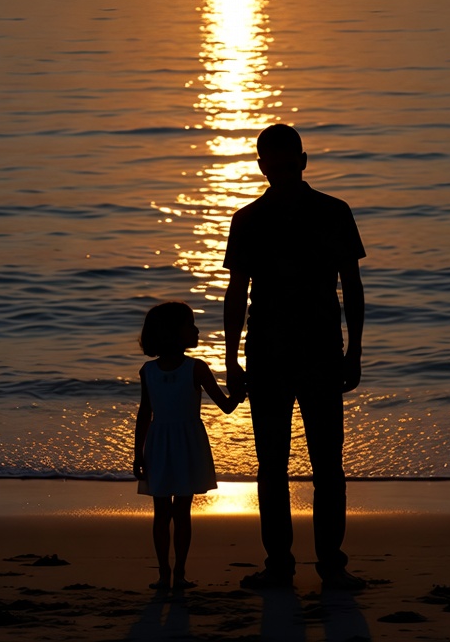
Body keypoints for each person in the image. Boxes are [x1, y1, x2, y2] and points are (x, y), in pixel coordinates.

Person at [223, 124, 366, 591]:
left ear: (302, 163)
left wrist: (354, 350)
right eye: (275, 165)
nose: (282, 172)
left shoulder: (333, 212)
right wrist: (230, 359)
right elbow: (236, 294)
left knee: (328, 464)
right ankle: (281, 563)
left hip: (320, 352)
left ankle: (331, 563)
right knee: (272, 466)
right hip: (268, 353)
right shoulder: (248, 219)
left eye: (289, 164)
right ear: (262, 165)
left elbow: (352, 287)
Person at [133, 300, 240, 591]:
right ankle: (170, 572)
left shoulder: (178, 369)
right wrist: (137, 453)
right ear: (172, 332)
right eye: (190, 325)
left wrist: (139, 453)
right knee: (177, 512)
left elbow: (146, 414)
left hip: (166, 444)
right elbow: (145, 412)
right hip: (177, 444)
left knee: (170, 512)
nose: (196, 330)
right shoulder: (188, 368)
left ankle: (173, 573)